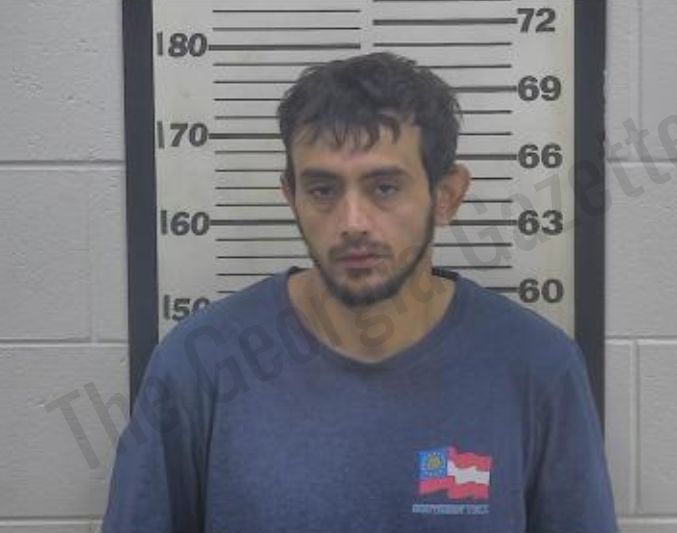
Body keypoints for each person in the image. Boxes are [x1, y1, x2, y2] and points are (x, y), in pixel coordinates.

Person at [102, 51, 618, 533]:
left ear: (446, 195)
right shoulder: (199, 367)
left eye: (384, 188)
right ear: (292, 196)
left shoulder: (538, 368)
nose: (352, 222)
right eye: (323, 189)